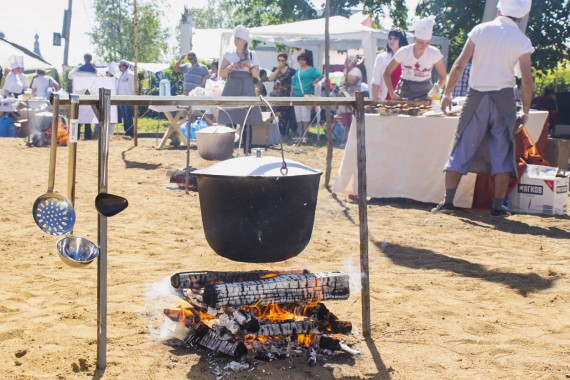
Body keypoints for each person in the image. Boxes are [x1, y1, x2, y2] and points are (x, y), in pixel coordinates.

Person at [433, 0, 534, 217]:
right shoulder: (521, 40)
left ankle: (447, 202)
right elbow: (527, 79)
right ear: (521, 17)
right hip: (504, 98)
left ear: (499, 10)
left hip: (476, 96)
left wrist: (447, 94)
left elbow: (459, 64)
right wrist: (525, 111)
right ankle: (497, 207)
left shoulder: (480, 30)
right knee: (503, 151)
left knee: (461, 147)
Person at [218, 25, 264, 154]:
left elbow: (256, 74)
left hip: (247, 87)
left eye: (238, 38)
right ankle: (228, 151)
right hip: (231, 87)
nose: (236, 40)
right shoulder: (228, 54)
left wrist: (249, 66)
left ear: (244, 41)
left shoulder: (252, 54)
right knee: (229, 120)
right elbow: (221, 74)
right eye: (235, 38)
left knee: (247, 121)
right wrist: (230, 68)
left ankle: (247, 151)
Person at [383, 17, 446, 100]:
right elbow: (386, 73)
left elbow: (443, 76)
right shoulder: (404, 51)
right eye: (421, 42)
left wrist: (436, 90)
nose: (424, 46)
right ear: (414, 39)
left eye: (427, 43)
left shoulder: (434, 53)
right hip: (405, 90)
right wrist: (391, 93)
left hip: (425, 91)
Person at [291, 52, 323, 143]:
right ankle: (300, 135)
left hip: (306, 95)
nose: (301, 61)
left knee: (305, 116)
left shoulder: (311, 69)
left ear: (306, 60)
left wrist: (314, 83)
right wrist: (291, 95)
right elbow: (293, 83)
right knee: (298, 116)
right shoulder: (297, 71)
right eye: (300, 60)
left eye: (303, 59)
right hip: (296, 95)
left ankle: (305, 136)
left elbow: (320, 76)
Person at [371, 28, 409, 102]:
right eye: (390, 38)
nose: (392, 41)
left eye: (395, 38)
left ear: (401, 40)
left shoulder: (408, 58)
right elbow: (376, 81)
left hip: (404, 99)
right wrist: (374, 102)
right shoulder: (381, 58)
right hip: (385, 100)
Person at [68, 53, 99, 139]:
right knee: (88, 116)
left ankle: (76, 135)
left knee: (78, 114)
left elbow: (69, 76)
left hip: (80, 94)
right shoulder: (95, 70)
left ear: (84, 59)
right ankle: (87, 135)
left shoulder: (79, 69)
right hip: (89, 94)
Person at [268, 52, 296, 138]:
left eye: (282, 60)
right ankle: (274, 133)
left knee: (285, 116)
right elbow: (270, 78)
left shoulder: (291, 71)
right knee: (274, 114)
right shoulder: (275, 69)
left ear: (285, 60)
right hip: (275, 96)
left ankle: (284, 134)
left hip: (286, 96)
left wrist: (291, 97)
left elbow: (293, 85)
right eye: (279, 60)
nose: (281, 62)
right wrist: (277, 69)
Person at [338, 55, 362, 142]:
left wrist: (346, 74)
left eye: (347, 61)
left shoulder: (356, 71)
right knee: (345, 120)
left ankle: (353, 139)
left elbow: (352, 81)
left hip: (353, 97)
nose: (345, 63)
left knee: (352, 118)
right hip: (344, 97)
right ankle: (345, 138)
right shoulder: (345, 71)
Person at [115, 60, 135, 138]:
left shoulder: (130, 75)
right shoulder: (119, 75)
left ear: (124, 66)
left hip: (128, 98)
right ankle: (126, 132)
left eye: (120, 66)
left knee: (128, 116)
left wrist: (133, 97)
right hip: (121, 98)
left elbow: (133, 87)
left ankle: (130, 132)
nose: (119, 68)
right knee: (124, 116)